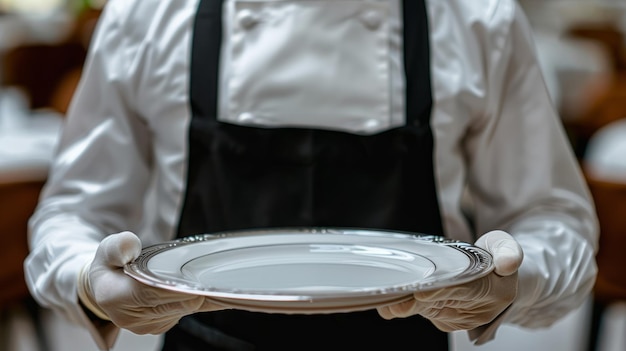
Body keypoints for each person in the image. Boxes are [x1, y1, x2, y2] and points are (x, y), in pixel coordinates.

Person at [24, 0, 598, 350]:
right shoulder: (148, 15)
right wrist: (89, 281)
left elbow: (554, 218)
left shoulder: (478, 17)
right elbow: (74, 213)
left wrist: (511, 281)